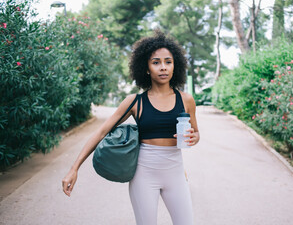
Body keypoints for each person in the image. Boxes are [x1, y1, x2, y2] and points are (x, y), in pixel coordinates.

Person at [62, 30, 200, 225]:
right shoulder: (135, 102)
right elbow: (101, 132)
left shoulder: (186, 100)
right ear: (146, 68)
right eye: (156, 62)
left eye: (168, 62)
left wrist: (194, 138)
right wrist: (74, 168)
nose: (163, 67)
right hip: (144, 175)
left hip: (175, 173)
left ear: (175, 65)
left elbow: (196, 134)